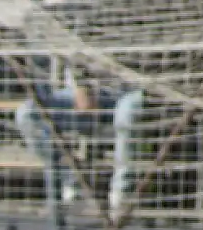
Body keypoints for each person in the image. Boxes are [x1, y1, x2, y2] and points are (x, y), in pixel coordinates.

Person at [13, 63, 144, 221]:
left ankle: (121, 196)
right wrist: (82, 88)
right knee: (27, 114)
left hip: (129, 91)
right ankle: (72, 180)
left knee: (128, 111)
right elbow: (76, 53)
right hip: (84, 91)